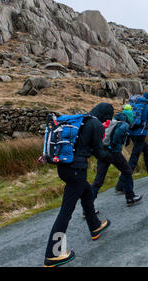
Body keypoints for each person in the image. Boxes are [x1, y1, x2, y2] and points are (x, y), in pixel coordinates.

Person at [44, 103, 114, 267]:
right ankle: (53, 254)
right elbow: (98, 152)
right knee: (66, 212)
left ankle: (95, 226)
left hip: (65, 167)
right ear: (105, 115)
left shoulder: (82, 120)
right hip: (76, 170)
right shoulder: (96, 124)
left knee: (87, 193)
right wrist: (111, 155)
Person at [91, 111, 143, 206]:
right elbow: (118, 136)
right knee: (127, 171)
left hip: (103, 152)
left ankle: (87, 207)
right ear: (129, 117)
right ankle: (130, 197)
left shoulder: (111, 122)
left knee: (98, 179)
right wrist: (116, 145)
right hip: (113, 152)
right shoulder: (124, 125)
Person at [116, 92, 148, 191]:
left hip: (132, 133)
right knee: (134, 158)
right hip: (140, 134)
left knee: (147, 151)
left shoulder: (134, 105)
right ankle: (121, 184)